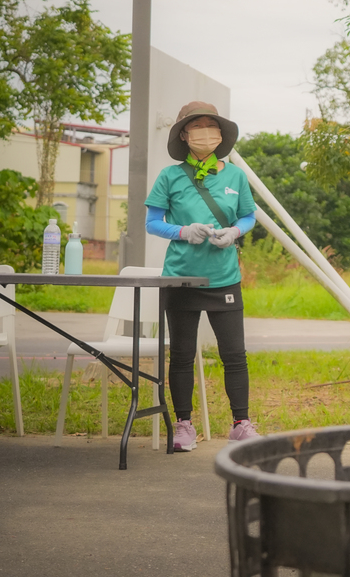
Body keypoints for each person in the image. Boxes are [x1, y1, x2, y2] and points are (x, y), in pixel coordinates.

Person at [145, 101, 259, 451]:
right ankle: (183, 425)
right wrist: (182, 232)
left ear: (221, 134)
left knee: (234, 354)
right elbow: (153, 223)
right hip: (180, 278)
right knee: (180, 354)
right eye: (198, 126)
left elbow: (248, 216)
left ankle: (241, 423)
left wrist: (235, 233)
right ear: (184, 134)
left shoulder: (236, 175)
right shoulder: (170, 176)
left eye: (212, 125)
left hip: (224, 277)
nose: (206, 132)